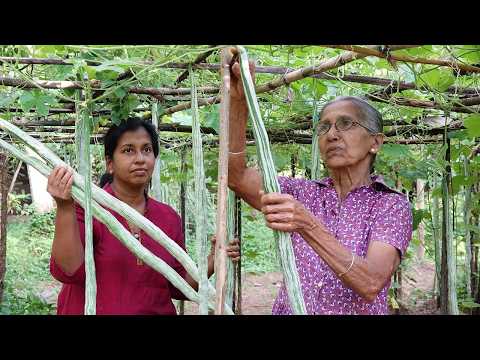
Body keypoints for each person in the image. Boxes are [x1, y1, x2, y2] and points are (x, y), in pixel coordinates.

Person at [227, 56, 412, 315]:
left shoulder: (390, 205)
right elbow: (237, 177)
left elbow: (370, 282)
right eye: (324, 127)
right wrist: (239, 101)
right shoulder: (304, 193)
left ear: (376, 142)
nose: (332, 134)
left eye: (346, 124)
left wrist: (308, 225)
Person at [48, 117, 240, 315]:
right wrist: (64, 207)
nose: (140, 158)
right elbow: (69, 270)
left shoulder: (167, 217)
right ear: (110, 163)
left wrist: (214, 258)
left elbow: (180, 284)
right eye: (128, 150)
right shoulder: (87, 208)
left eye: (147, 149)